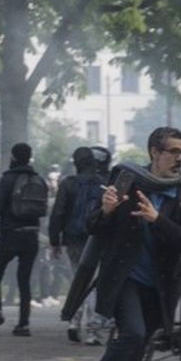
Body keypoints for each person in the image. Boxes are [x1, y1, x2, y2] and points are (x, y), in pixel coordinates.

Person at [68, 126, 181, 361]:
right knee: (133, 334)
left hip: (162, 285)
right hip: (124, 278)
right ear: (155, 152)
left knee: (137, 347)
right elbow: (92, 226)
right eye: (173, 151)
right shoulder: (126, 179)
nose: (179, 158)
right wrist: (106, 210)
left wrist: (158, 220)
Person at [50, 146, 112, 344]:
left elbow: (58, 213)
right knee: (93, 283)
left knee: (77, 280)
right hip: (96, 238)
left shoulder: (68, 184)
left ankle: (74, 322)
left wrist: (55, 241)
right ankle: (93, 330)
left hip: (73, 240)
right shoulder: (103, 184)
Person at [0, 142, 48, 337]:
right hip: (31, 235)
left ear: (13, 156)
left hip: (10, 234)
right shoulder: (39, 179)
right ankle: (23, 324)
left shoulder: (7, 179)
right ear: (29, 157)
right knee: (24, 279)